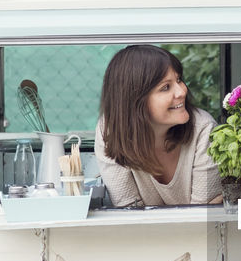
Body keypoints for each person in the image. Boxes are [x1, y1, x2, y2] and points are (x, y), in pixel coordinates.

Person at [95, 44, 222, 206]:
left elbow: (200, 217)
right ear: (134, 100)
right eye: (166, 87)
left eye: (179, 80)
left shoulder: (203, 129)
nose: (182, 91)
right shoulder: (110, 131)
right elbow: (128, 214)